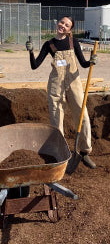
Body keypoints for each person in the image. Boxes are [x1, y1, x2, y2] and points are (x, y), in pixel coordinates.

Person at [27, 16, 98, 168]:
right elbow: (35, 65)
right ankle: (61, 155)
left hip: (74, 83)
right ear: (57, 23)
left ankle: (85, 152)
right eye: (62, 23)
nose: (63, 26)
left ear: (70, 30)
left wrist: (92, 60)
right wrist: (31, 51)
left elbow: (84, 64)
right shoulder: (49, 44)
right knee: (56, 119)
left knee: (82, 115)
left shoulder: (74, 42)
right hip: (56, 85)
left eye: (67, 25)